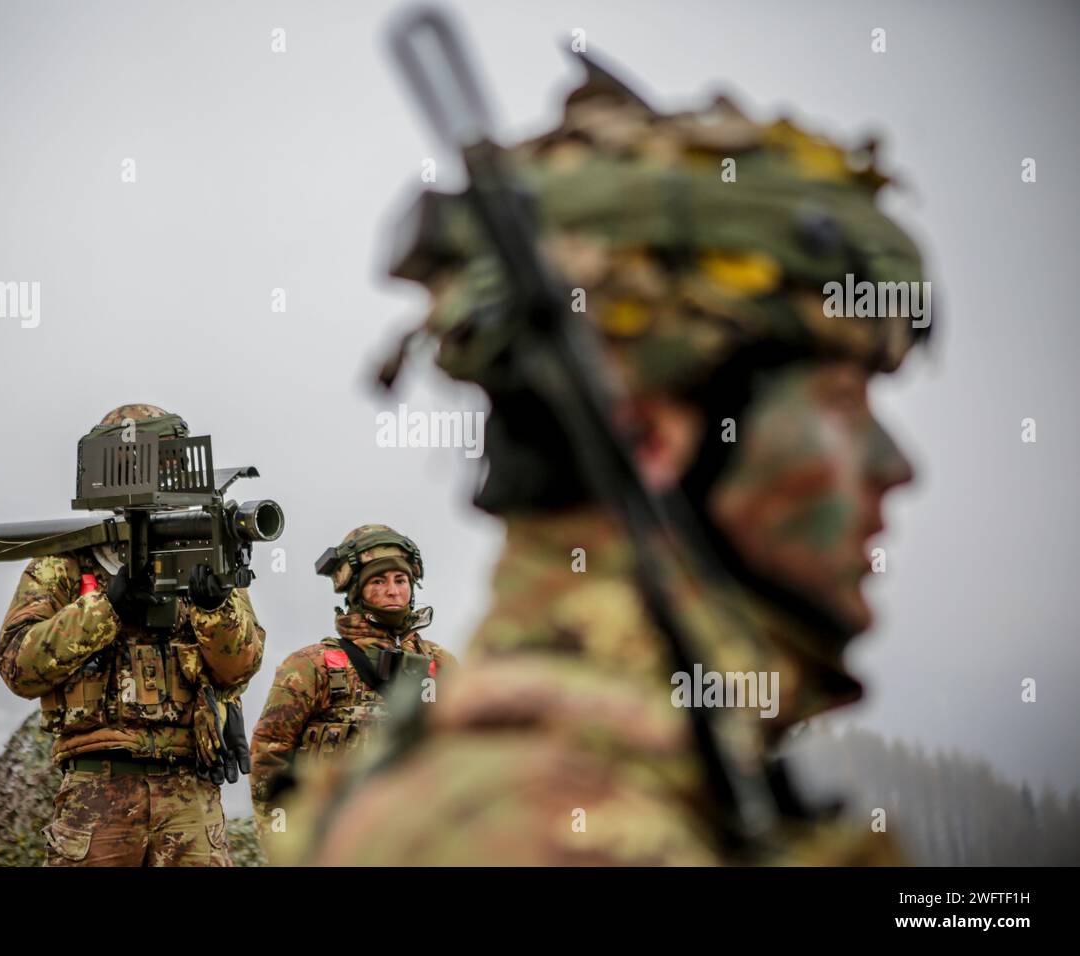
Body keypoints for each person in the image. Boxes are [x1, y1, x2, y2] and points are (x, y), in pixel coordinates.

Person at [278, 56, 932, 865]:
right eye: (839, 400)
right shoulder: (529, 828)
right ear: (647, 430)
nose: (896, 468)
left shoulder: (665, 773)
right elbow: (270, 759)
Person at [0, 403, 266, 866]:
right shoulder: (65, 560)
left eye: (174, 462)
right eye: (160, 461)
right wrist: (107, 607)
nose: (170, 473)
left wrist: (213, 606)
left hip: (189, 791)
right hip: (97, 790)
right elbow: (18, 666)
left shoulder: (198, 548)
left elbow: (240, 667)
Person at [249, 525, 455, 855]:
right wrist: (281, 842)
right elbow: (269, 754)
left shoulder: (441, 665)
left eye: (400, 581)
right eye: (378, 581)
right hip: (335, 844)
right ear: (356, 590)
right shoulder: (311, 665)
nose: (392, 591)